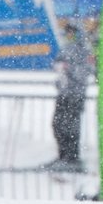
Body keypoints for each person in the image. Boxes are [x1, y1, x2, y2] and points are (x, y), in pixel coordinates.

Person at [42, 22, 95, 173]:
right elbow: (59, 67)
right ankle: (63, 156)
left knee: (71, 127)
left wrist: (69, 69)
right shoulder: (65, 48)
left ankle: (72, 158)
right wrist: (60, 73)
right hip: (64, 93)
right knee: (58, 125)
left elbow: (85, 72)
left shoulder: (83, 49)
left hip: (75, 94)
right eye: (67, 33)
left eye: (72, 33)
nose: (69, 36)